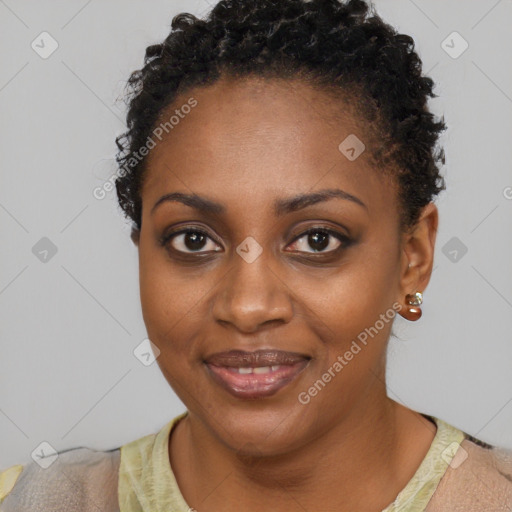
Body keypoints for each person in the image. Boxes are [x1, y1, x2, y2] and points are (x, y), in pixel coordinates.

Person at [1, 0, 511, 510]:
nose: (247, 306)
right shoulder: (48, 500)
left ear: (412, 257)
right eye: (193, 240)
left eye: (317, 240)